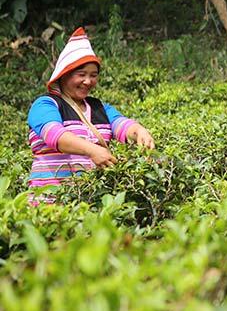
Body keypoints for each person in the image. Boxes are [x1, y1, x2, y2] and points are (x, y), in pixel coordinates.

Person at [27, 27, 155, 199]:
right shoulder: (45, 104)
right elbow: (55, 135)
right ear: (64, 75)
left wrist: (140, 131)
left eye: (93, 75)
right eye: (81, 74)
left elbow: (122, 125)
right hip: (49, 206)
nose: (88, 81)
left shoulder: (99, 108)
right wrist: (92, 150)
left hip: (90, 202)